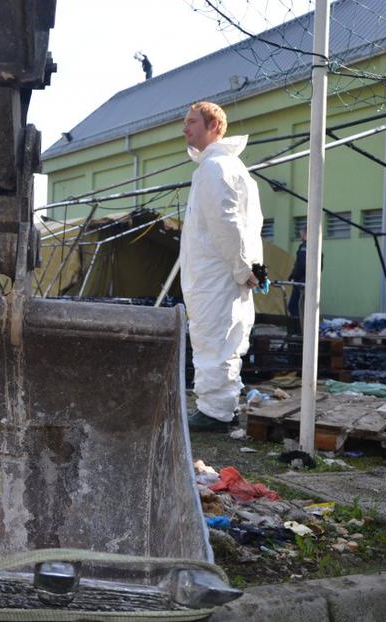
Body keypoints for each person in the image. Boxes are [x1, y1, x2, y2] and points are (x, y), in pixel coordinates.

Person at [179, 101, 264, 432]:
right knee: (216, 339)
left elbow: (227, 225)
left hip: (217, 276)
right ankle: (216, 407)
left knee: (215, 340)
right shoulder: (218, 167)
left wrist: (243, 269)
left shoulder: (216, 169)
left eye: (191, 122)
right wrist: (246, 268)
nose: (185, 129)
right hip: (218, 274)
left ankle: (215, 412)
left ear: (214, 126)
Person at [287, 227, 307, 320]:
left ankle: (297, 330)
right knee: (303, 307)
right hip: (306, 281)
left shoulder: (305, 247)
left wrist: (294, 277)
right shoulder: (314, 245)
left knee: (293, 306)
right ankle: (301, 330)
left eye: (301, 234)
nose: (300, 236)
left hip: (301, 282)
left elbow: (301, 265)